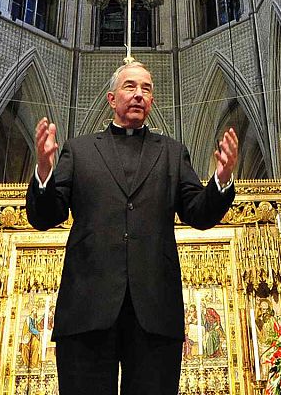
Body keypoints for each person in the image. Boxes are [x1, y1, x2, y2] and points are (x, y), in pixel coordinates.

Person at [26, 60, 239, 394]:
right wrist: (43, 168)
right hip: (87, 310)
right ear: (111, 98)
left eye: (147, 88)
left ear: (152, 100)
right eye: (130, 86)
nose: (139, 94)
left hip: (154, 311)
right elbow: (44, 217)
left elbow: (198, 214)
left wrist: (221, 179)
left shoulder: (172, 153)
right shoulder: (79, 151)